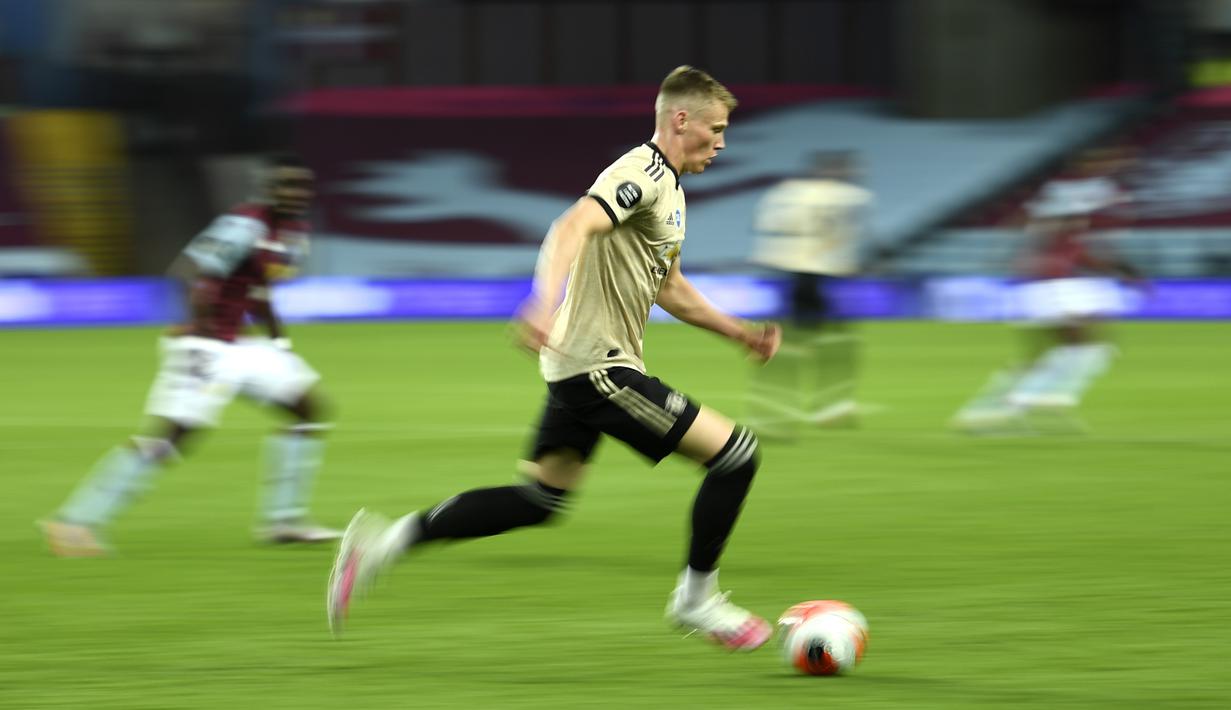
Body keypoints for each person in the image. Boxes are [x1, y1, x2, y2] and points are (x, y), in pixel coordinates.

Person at [326, 66, 782, 651]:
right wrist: (543, 301)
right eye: (715, 129)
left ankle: (383, 544)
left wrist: (737, 333)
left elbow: (669, 288)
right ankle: (697, 599)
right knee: (736, 457)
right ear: (680, 119)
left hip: (578, 365)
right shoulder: (638, 174)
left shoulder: (671, 191)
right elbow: (570, 226)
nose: (721, 142)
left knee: (540, 501)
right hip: (599, 367)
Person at [38, 154, 341, 556]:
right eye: (286, 185)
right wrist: (197, 330)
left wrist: (279, 341)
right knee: (175, 438)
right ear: (269, 190)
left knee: (307, 408)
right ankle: (74, 521)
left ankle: (284, 521)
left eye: (302, 185)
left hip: (242, 345)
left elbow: (259, 289)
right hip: (205, 344)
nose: (295, 192)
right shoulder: (245, 224)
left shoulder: (294, 233)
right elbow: (189, 271)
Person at [952, 148, 1141, 433]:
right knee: (1089, 346)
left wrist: (1125, 272)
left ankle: (990, 410)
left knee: (1067, 350)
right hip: (1047, 287)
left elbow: (1080, 255)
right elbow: (1047, 233)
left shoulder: (1068, 222)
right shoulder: (1064, 209)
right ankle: (1039, 397)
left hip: (1043, 287)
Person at [748, 151, 872, 435]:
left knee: (802, 342)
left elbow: (770, 226)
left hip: (793, 273)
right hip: (819, 274)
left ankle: (775, 412)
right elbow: (848, 235)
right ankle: (824, 409)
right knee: (830, 343)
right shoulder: (847, 196)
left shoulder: (790, 192)